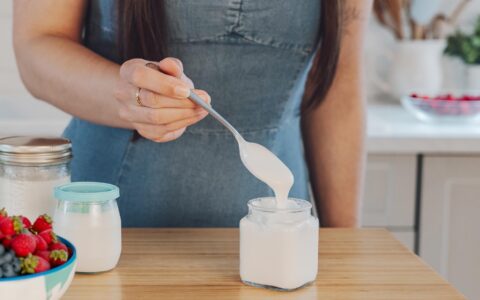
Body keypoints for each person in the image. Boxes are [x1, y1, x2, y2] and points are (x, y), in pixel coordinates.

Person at [13, 0, 371, 227]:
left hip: (280, 230)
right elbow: (36, 44)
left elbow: (339, 82)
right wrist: (123, 94)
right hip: (103, 222)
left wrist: (345, 245)